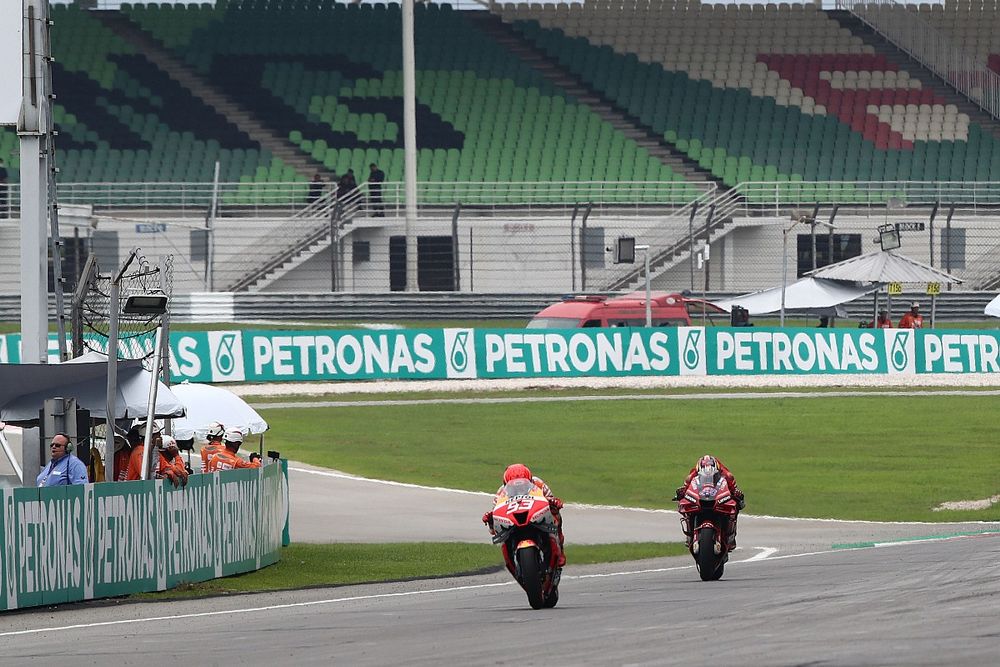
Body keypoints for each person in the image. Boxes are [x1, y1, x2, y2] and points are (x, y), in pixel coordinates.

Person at [482, 463, 565, 569]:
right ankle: (512, 560)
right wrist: (491, 520)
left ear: (530, 480)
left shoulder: (539, 484)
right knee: (500, 535)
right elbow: (496, 520)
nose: (519, 488)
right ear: (506, 484)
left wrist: (554, 503)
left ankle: (560, 549)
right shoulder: (500, 493)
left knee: (555, 515)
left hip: (534, 515)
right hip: (514, 520)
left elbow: (550, 499)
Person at [674, 455, 745, 550]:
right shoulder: (692, 475)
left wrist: (737, 495)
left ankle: (730, 537)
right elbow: (685, 488)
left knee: (735, 505)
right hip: (701, 498)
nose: (707, 471)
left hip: (718, 498)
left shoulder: (727, 475)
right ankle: (690, 536)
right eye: (704, 469)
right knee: (686, 507)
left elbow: (735, 490)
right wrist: (681, 493)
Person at [125, 421, 185, 486]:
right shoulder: (139, 451)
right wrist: (166, 475)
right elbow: (147, 475)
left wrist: (169, 472)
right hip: (136, 490)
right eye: (158, 435)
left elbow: (170, 469)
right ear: (150, 437)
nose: (161, 438)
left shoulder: (154, 451)